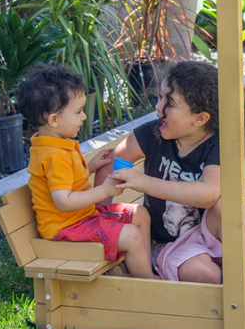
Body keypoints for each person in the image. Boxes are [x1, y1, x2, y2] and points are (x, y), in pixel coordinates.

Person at [95, 61, 245, 284]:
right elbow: (112, 161)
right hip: (169, 244)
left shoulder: (218, 144)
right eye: (159, 97)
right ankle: (219, 271)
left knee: (227, 205)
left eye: (168, 103)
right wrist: (98, 208)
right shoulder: (152, 135)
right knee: (206, 274)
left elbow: (208, 193)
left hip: (209, 232)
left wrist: (144, 182)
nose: (158, 108)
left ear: (199, 118)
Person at [17, 64, 158, 279]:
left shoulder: (56, 144)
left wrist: (90, 167)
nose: (83, 117)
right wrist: (104, 190)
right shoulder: (54, 155)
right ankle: (146, 283)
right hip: (66, 227)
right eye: (79, 112)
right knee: (130, 235)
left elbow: (65, 179)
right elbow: (64, 201)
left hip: (81, 218)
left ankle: (136, 269)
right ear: (53, 119)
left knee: (139, 214)